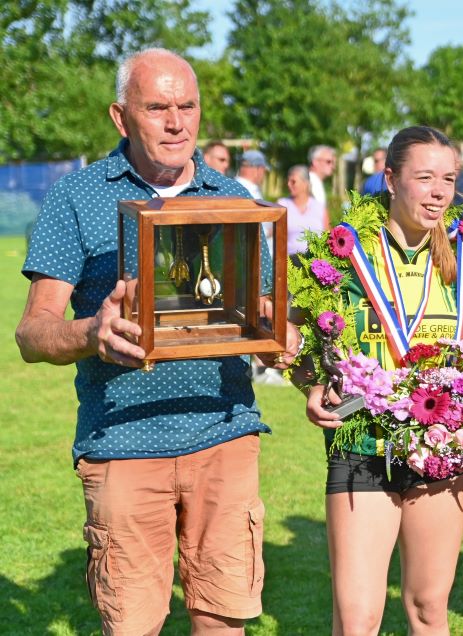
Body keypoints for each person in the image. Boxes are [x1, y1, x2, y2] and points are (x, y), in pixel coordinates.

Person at [14, 47, 298, 636]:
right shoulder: (77, 197)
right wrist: (91, 331)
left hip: (225, 433)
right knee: (133, 625)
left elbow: (268, 311)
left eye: (187, 106)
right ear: (121, 117)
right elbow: (32, 331)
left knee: (223, 622)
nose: (177, 123)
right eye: (158, 107)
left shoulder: (236, 200)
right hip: (122, 442)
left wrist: (285, 336)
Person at [296, 126, 463, 635]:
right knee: (358, 619)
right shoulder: (344, 256)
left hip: (440, 447)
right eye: (424, 178)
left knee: (428, 610)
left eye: (449, 179)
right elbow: (295, 337)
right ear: (391, 179)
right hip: (362, 445)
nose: (439, 192)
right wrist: (310, 382)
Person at [277, 164, 328, 256]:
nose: (289, 184)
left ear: (305, 183)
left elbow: (328, 235)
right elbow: (273, 235)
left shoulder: (319, 207)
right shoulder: (282, 205)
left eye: (293, 182)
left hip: (316, 261)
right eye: (288, 181)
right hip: (289, 261)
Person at [308, 144, 336, 218]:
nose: (333, 166)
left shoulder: (316, 182)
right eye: (329, 161)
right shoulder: (309, 183)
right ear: (315, 162)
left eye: (333, 162)